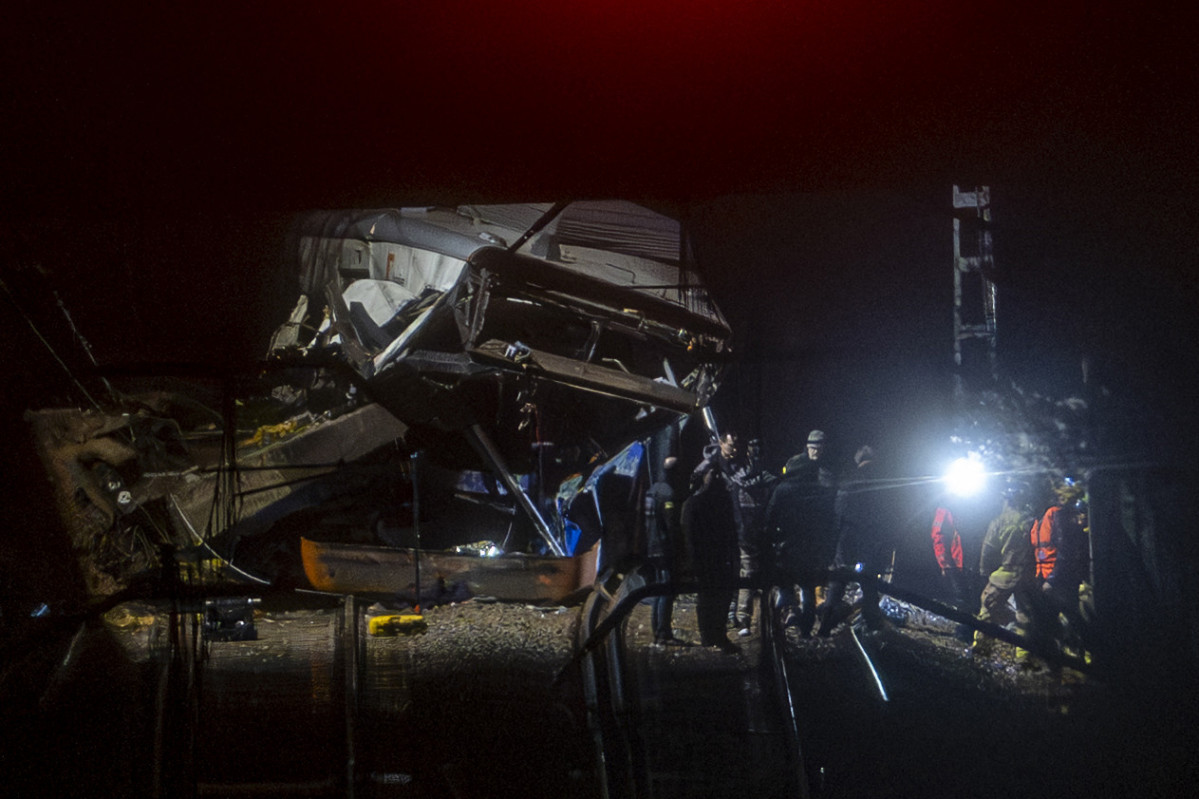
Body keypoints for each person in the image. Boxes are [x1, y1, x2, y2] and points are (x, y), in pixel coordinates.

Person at [818, 445, 892, 635]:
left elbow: (837, 519)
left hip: (846, 546)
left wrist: (833, 549)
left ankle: (824, 629)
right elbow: (885, 521)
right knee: (869, 588)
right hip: (869, 547)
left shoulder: (847, 484)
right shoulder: (882, 485)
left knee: (836, 587)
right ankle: (873, 626)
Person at [762, 450, 838, 637]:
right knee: (807, 588)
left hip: (787, 547)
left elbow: (770, 518)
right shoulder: (820, 490)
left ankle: (786, 620)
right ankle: (806, 628)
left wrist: (769, 538)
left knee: (786, 585)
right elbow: (828, 520)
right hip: (811, 547)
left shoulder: (783, 489)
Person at [972, 483, 1045, 666]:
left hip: (1007, 571)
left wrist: (984, 572)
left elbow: (987, 550)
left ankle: (981, 648)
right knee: (1024, 615)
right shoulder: (1030, 521)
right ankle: (1023, 657)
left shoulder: (1000, 521)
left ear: (1006, 499)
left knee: (987, 606)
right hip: (1028, 574)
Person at [682, 457, 741, 654]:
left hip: (720, 557)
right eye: (711, 473)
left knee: (721, 597)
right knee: (708, 598)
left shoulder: (720, 501)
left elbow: (731, 530)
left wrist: (733, 554)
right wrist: (694, 562)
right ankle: (709, 636)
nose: (715, 477)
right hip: (706, 559)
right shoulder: (694, 503)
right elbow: (690, 536)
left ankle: (718, 634)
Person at [1032, 480, 1091, 655]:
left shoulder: (1057, 515)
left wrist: (1052, 579)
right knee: (1053, 620)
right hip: (1046, 576)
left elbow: (1066, 550)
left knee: (1071, 618)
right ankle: (1061, 658)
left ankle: (1083, 659)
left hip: (1059, 579)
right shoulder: (1039, 518)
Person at [728, 437, 777, 633]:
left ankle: (746, 618)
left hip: (755, 532)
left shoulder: (761, 477)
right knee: (747, 574)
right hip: (748, 532)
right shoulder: (748, 477)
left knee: (751, 575)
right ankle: (743, 618)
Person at [646, 455, 686, 646]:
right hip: (664, 549)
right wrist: (679, 548)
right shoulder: (668, 494)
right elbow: (671, 525)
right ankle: (663, 633)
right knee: (667, 590)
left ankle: (657, 629)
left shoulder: (652, 490)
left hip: (651, 547)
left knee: (658, 589)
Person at [930, 504, 973, 641]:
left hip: (968, 561)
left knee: (969, 598)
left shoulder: (966, 506)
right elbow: (938, 538)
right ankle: (965, 632)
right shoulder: (945, 509)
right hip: (956, 563)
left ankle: (970, 629)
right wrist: (945, 564)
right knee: (962, 599)